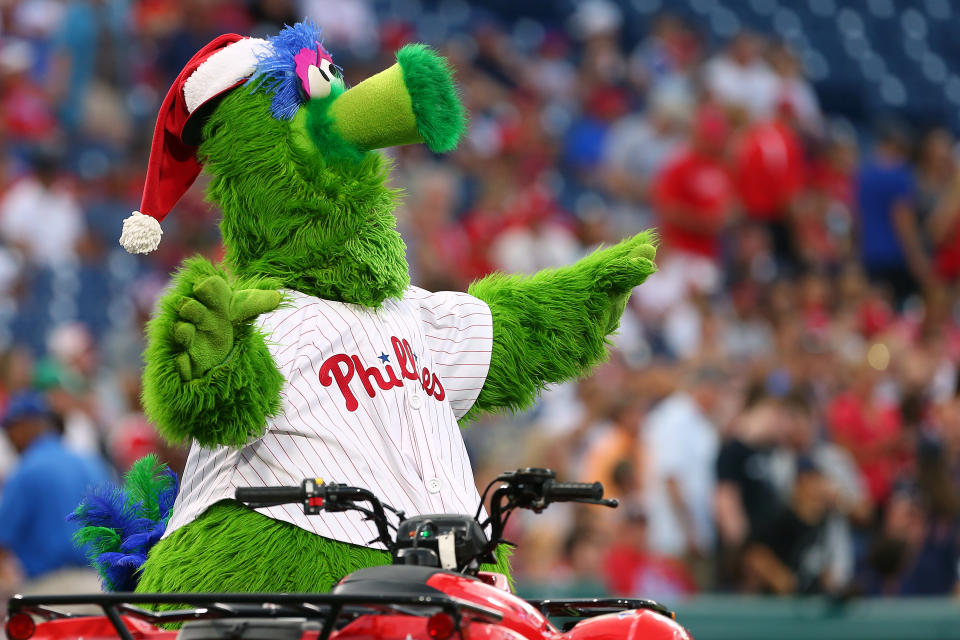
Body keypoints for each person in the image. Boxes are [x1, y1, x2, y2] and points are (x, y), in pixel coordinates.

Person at [0, 391, 111, 595]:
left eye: (10, 430)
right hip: (101, 589)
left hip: (51, 593)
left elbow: (2, 540)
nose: (10, 439)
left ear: (26, 425)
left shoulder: (26, 470)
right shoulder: (91, 463)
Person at [642, 366, 724, 586]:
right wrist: (691, 532)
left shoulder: (699, 420)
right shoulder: (675, 418)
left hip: (695, 534)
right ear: (705, 389)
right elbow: (671, 479)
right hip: (675, 537)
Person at [856, 122, 933, 305]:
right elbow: (902, 220)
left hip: (868, 253)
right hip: (896, 257)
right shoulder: (901, 175)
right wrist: (918, 260)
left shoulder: (863, 173)